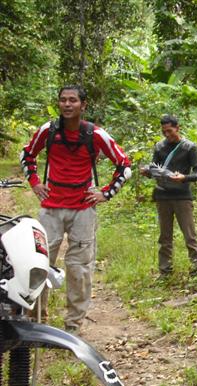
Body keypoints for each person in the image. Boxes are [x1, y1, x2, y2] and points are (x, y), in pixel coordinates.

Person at [20, 85, 132, 330]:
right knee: (38, 264)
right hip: (50, 209)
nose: (67, 104)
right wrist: (36, 183)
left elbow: (124, 165)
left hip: (83, 210)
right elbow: (27, 155)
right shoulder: (48, 130)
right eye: (63, 100)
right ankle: (36, 320)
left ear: (83, 105)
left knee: (79, 268)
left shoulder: (96, 134)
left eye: (73, 100)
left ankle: (73, 324)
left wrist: (106, 193)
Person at [140, 115, 197, 277]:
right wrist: (147, 172)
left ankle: (196, 270)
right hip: (163, 196)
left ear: (177, 128)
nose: (167, 135)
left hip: (182, 197)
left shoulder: (189, 147)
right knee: (165, 237)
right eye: (164, 132)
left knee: (190, 235)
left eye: (170, 131)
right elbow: (155, 169)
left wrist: (184, 177)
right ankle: (165, 271)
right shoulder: (159, 147)